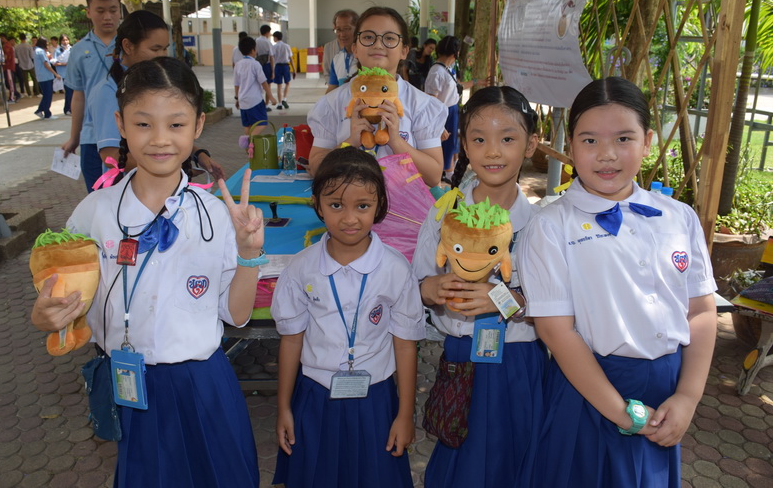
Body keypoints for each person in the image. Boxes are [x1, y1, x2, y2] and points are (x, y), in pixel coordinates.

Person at [30, 57, 262, 487]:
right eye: (143, 124)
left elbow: (237, 315)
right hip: (130, 384)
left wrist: (250, 254)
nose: (159, 139)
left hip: (203, 383)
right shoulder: (93, 214)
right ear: (120, 124)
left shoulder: (217, 216)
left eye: (176, 124)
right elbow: (63, 300)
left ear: (198, 126)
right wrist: (49, 317)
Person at [517, 76, 718, 487]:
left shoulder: (679, 217)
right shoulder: (550, 226)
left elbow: (700, 309)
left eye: (623, 138)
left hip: (668, 391)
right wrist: (626, 415)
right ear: (571, 145)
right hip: (588, 392)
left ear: (647, 142)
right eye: (589, 140)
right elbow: (556, 332)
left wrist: (687, 397)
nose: (606, 154)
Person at [413, 86, 546, 488]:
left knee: (514, 461)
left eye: (507, 138)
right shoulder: (444, 213)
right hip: (460, 359)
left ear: (530, 145)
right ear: (465, 145)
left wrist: (500, 298)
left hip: (516, 363)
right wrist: (431, 289)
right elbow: (418, 283)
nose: (493, 151)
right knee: (460, 466)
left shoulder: (541, 225)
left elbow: (549, 303)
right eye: (479, 139)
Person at [272, 146, 424, 488]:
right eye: (336, 205)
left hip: (376, 398)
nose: (350, 218)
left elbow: (405, 346)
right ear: (317, 205)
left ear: (380, 205)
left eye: (363, 206)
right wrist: (284, 407)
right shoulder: (301, 269)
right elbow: (291, 341)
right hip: (315, 396)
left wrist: (404, 414)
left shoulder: (396, 269)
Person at [307, 6, 447, 187]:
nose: (378, 44)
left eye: (389, 38)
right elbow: (316, 168)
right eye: (368, 37)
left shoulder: (422, 105)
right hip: (348, 203)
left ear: (404, 51)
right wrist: (350, 143)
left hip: (402, 204)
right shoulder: (331, 103)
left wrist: (397, 142)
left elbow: (433, 176)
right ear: (355, 49)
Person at [90, 11, 224, 183]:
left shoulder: (157, 83)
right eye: (155, 49)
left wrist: (197, 154)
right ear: (128, 46)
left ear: (199, 124)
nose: (162, 55)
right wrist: (170, 164)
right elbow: (111, 155)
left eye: (165, 48)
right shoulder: (107, 91)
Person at [61, 0, 121, 193]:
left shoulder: (130, 45)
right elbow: (79, 96)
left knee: (126, 196)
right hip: (91, 136)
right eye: (100, 11)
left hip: (125, 134)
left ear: (120, 11)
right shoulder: (79, 50)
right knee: (97, 197)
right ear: (88, 12)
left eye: (113, 10)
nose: (107, 17)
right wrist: (74, 137)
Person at [424, 35, 480, 183]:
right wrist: (439, 125)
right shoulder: (437, 71)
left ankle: (451, 174)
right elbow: (431, 101)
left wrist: (476, 82)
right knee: (444, 147)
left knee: (452, 146)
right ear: (456, 52)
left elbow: (458, 86)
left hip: (452, 111)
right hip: (443, 114)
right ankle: (446, 178)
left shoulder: (447, 69)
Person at [234, 36, 276, 137]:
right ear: (253, 50)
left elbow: (236, 84)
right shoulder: (255, 64)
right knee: (262, 123)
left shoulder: (238, 65)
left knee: (248, 126)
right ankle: (250, 140)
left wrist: (237, 98)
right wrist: (271, 97)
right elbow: (264, 82)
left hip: (243, 101)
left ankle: (247, 145)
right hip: (255, 100)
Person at [325, 9, 359, 94]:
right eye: (338, 30)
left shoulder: (367, 56)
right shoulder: (336, 59)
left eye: (347, 29)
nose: (342, 34)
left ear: (357, 29)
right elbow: (332, 89)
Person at [33, 37, 62, 120]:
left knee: (46, 95)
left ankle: (40, 110)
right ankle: (47, 114)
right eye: (46, 43)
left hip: (41, 76)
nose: (48, 44)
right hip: (46, 76)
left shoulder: (36, 50)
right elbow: (46, 64)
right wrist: (55, 73)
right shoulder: (41, 51)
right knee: (48, 95)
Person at [271, 30, 295, 109]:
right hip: (285, 66)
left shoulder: (274, 47)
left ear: (276, 38)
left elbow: (272, 58)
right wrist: (294, 69)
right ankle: (284, 98)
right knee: (287, 83)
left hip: (278, 67)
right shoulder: (287, 46)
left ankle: (280, 104)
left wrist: (272, 70)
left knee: (279, 85)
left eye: (273, 37)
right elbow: (291, 58)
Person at [52, 34, 73, 115]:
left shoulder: (72, 49)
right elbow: (54, 62)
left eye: (66, 40)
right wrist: (63, 63)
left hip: (72, 73)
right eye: (63, 40)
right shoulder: (57, 51)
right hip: (63, 74)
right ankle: (68, 109)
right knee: (68, 92)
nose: (65, 42)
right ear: (60, 41)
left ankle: (70, 108)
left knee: (73, 92)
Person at [256, 25, 275, 109]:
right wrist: (273, 70)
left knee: (258, 85)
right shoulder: (268, 42)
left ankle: (259, 103)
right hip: (266, 65)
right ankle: (266, 104)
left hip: (257, 64)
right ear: (267, 32)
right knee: (268, 85)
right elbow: (271, 57)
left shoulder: (256, 40)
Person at [0, 33, 18, 103]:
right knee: (8, 82)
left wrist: (1, 60)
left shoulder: (6, 46)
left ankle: (12, 97)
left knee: (10, 82)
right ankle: (15, 94)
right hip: (8, 66)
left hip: (8, 66)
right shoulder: (6, 46)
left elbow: (6, 57)